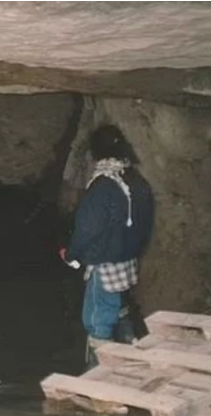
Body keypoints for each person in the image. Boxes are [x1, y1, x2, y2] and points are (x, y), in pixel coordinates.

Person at [59, 124, 154, 369]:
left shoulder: (103, 185)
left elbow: (88, 228)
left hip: (105, 264)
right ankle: (133, 361)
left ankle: (99, 379)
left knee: (97, 321)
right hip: (128, 261)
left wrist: (71, 254)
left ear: (96, 152)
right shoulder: (137, 181)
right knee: (120, 308)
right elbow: (145, 224)